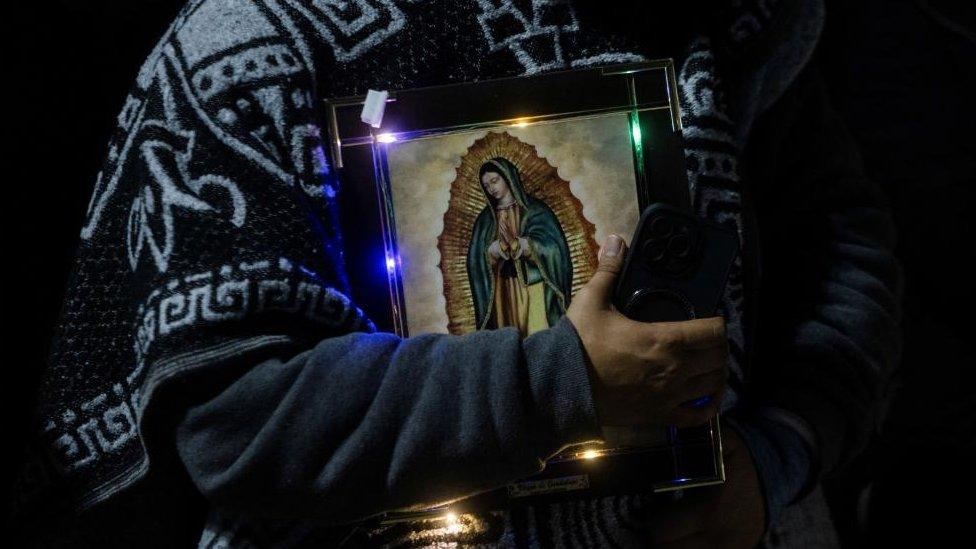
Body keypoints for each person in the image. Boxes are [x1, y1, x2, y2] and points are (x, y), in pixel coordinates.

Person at [12, 1, 900, 547]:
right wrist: (563, 377)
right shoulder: (255, 43)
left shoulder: (727, 21)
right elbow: (236, 417)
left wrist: (776, 453)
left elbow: (843, 254)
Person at [468, 157, 573, 336]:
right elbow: (474, 260)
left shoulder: (535, 210)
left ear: (508, 178)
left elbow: (554, 248)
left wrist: (524, 245)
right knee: (509, 337)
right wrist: (493, 251)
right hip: (502, 291)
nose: (492, 188)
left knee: (538, 334)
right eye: (486, 186)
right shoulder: (485, 220)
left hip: (534, 287)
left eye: (495, 181)